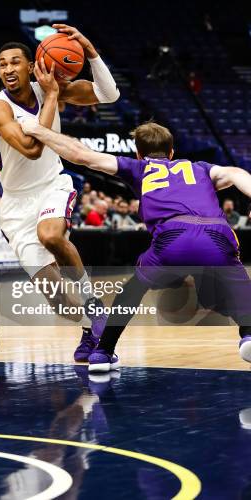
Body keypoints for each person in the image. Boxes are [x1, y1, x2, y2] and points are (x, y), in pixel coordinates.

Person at [21, 119, 251, 370]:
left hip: (172, 237)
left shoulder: (138, 168)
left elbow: (81, 155)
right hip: (216, 234)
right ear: (172, 152)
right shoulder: (200, 169)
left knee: (131, 291)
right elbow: (236, 173)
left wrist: (37, 130)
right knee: (238, 289)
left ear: (138, 153)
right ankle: (247, 334)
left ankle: (103, 352)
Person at [0, 23, 120, 361]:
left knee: (52, 236)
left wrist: (89, 50)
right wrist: (55, 96)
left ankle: (94, 305)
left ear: (31, 66)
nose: (7, 69)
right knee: (57, 301)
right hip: (15, 205)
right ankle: (92, 328)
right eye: (2, 64)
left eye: (14, 62)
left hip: (52, 185)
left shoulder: (49, 87)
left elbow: (109, 94)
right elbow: (30, 147)